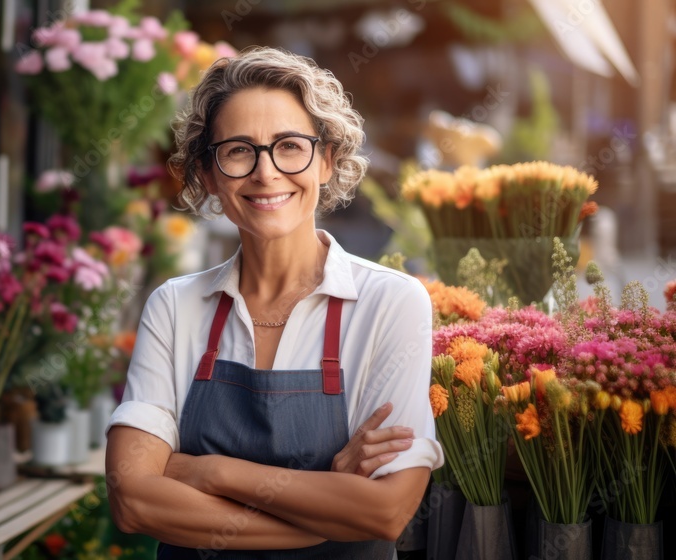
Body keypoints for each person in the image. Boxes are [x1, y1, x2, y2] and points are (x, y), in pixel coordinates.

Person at [105, 46, 443, 559]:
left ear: (326, 161)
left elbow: (385, 511)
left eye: (289, 146)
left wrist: (207, 470)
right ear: (209, 175)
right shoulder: (175, 307)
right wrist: (323, 514)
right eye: (239, 150)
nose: (266, 173)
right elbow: (133, 500)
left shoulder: (391, 303)